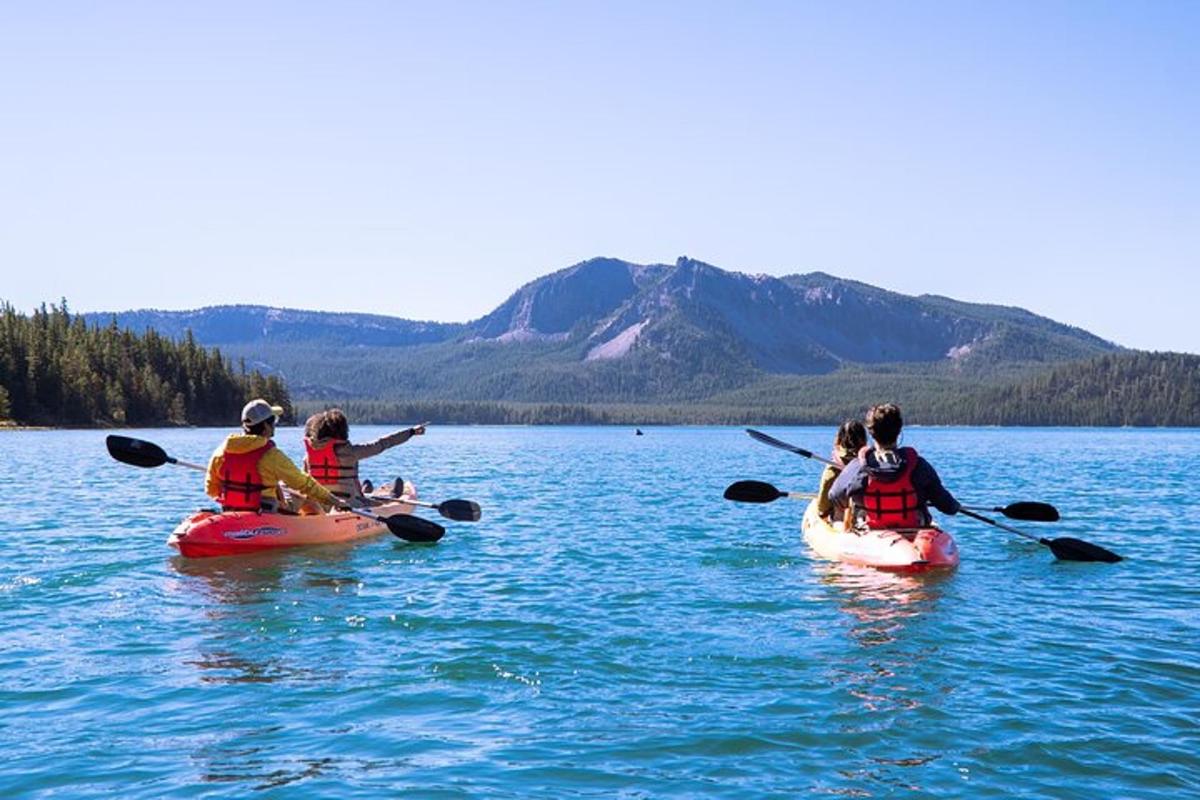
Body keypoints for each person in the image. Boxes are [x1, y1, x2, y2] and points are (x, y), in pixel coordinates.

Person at [828, 403, 959, 529]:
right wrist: (955, 506)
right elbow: (948, 507)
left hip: (873, 531)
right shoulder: (918, 466)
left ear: (871, 433)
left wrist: (858, 501)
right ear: (899, 431)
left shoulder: (859, 466)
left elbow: (834, 495)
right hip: (913, 530)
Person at [205, 399, 347, 513]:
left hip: (231, 510)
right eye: (274, 421)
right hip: (265, 513)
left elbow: (211, 490)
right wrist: (334, 500)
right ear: (266, 426)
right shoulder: (272, 456)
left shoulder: (221, 452)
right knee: (309, 500)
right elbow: (304, 483)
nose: (275, 425)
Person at [303, 408, 426, 506]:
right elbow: (383, 443)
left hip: (319, 503)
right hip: (349, 503)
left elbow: (303, 481)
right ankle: (391, 496)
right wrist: (411, 432)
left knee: (363, 494)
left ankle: (366, 491)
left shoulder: (309, 456)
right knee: (378, 503)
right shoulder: (351, 452)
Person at [816, 419, 867, 520]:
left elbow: (823, 507)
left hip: (842, 520)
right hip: (866, 516)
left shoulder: (833, 467)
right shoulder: (870, 462)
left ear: (840, 439)